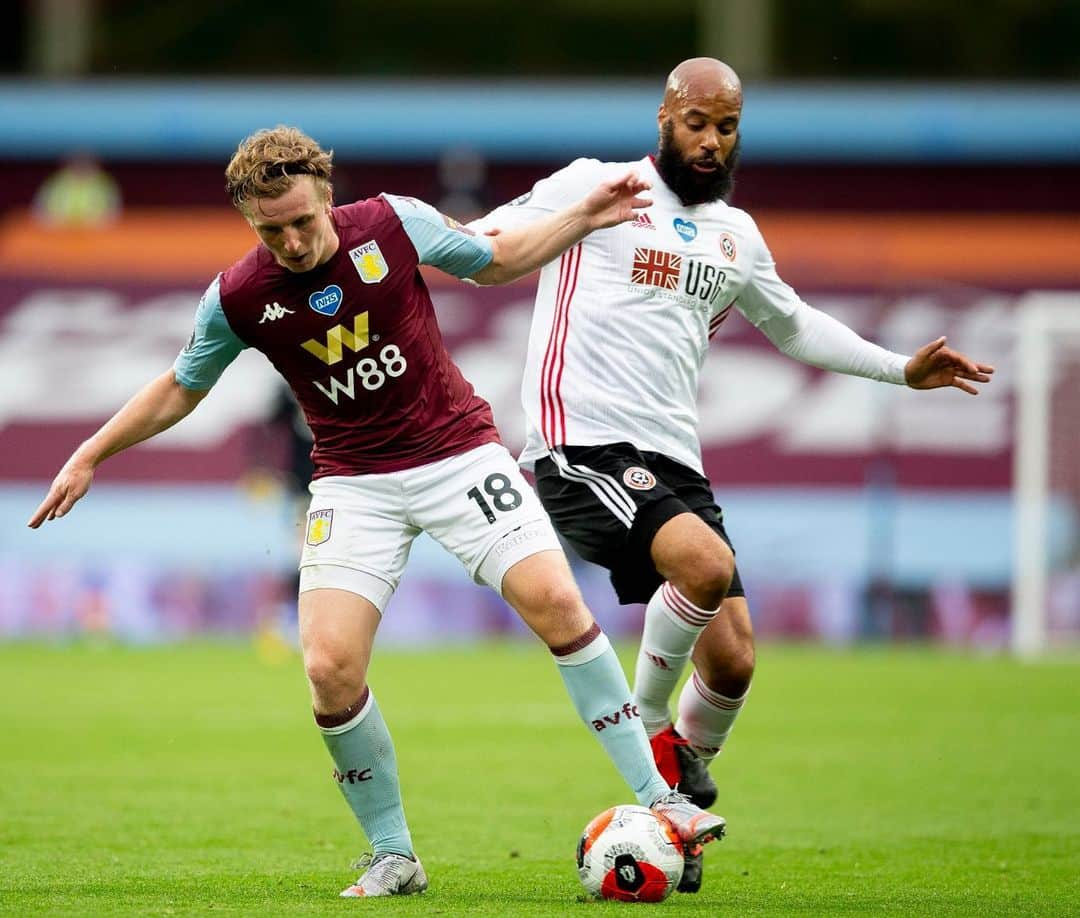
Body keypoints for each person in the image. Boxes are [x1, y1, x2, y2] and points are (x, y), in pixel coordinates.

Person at [27, 126, 725, 899]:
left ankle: (663, 802)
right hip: (353, 482)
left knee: (557, 603)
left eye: (302, 220)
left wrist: (582, 218)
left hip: (457, 454)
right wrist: (92, 451)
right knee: (328, 671)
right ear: (248, 224)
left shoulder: (393, 223)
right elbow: (180, 385)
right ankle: (394, 853)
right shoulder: (237, 297)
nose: (292, 241)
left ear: (328, 195)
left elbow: (495, 262)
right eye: (271, 230)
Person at [470, 58, 995, 893]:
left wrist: (902, 369)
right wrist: (566, 220)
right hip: (582, 449)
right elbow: (482, 249)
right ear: (664, 118)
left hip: (674, 461)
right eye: (696, 123)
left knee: (735, 661)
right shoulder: (596, 185)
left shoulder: (735, 236)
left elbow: (793, 327)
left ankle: (674, 794)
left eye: (727, 127)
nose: (711, 142)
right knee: (706, 568)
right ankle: (653, 763)